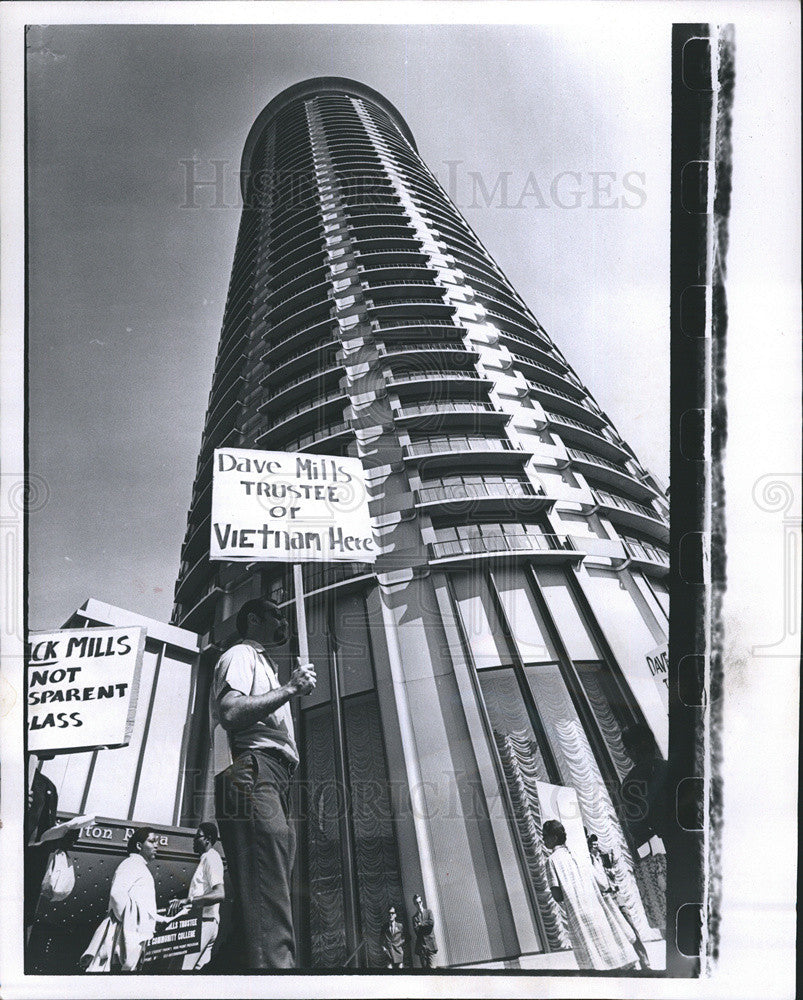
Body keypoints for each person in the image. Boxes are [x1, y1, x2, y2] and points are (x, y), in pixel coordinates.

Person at [211, 597, 316, 970]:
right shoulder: (242, 654)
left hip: (272, 775)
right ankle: (277, 977)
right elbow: (231, 711)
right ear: (253, 619)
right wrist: (289, 689)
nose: (284, 619)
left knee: (259, 891)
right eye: (277, 613)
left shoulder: (263, 665)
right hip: (255, 770)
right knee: (268, 885)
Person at [542, 820, 638, 972]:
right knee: (611, 945)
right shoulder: (580, 856)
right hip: (597, 909)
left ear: (554, 838)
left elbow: (557, 895)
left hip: (579, 914)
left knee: (594, 956)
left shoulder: (551, 861)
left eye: (545, 835)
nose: (543, 839)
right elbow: (602, 883)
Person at [81, 827, 172, 972]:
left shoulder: (140, 867)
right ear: (139, 845)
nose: (156, 845)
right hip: (123, 937)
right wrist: (132, 927)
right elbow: (117, 895)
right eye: (152, 841)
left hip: (132, 936)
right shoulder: (131, 864)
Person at [620, 724, 669, 930]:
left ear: (631, 750)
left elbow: (636, 828)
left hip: (666, 855)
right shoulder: (674, 768)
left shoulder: (631, 782)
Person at [587, 832, 651, 970]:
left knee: (632, 929)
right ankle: (628, 965)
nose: (595, 846)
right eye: (592, 844)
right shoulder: (589, 862)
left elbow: (613, 874)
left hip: (616, 896)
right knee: (618, 934)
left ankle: (645, 962)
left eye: (596, 843)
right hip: (606, 899)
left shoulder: (604, 857)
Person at [168, 822, 225, 970]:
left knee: (181, 970)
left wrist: (187, 901)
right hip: (207, 923)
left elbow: (219, 893)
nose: (193, 840)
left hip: (203, 923)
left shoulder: (211, 857)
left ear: (208, 839)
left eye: (197, 837)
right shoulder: (207, 859)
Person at [411, 893, 437, 969]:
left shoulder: (429, 912)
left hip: (431, 946)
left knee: (432, 969)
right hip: (422, 947)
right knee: (425, 972)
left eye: (419, 902)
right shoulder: (414, 918)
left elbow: (431, 924)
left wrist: (421, 924)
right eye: (416, 903)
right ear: (414, 904)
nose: (418, 904)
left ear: (422, 902)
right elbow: (417, 931)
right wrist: (425, 926)